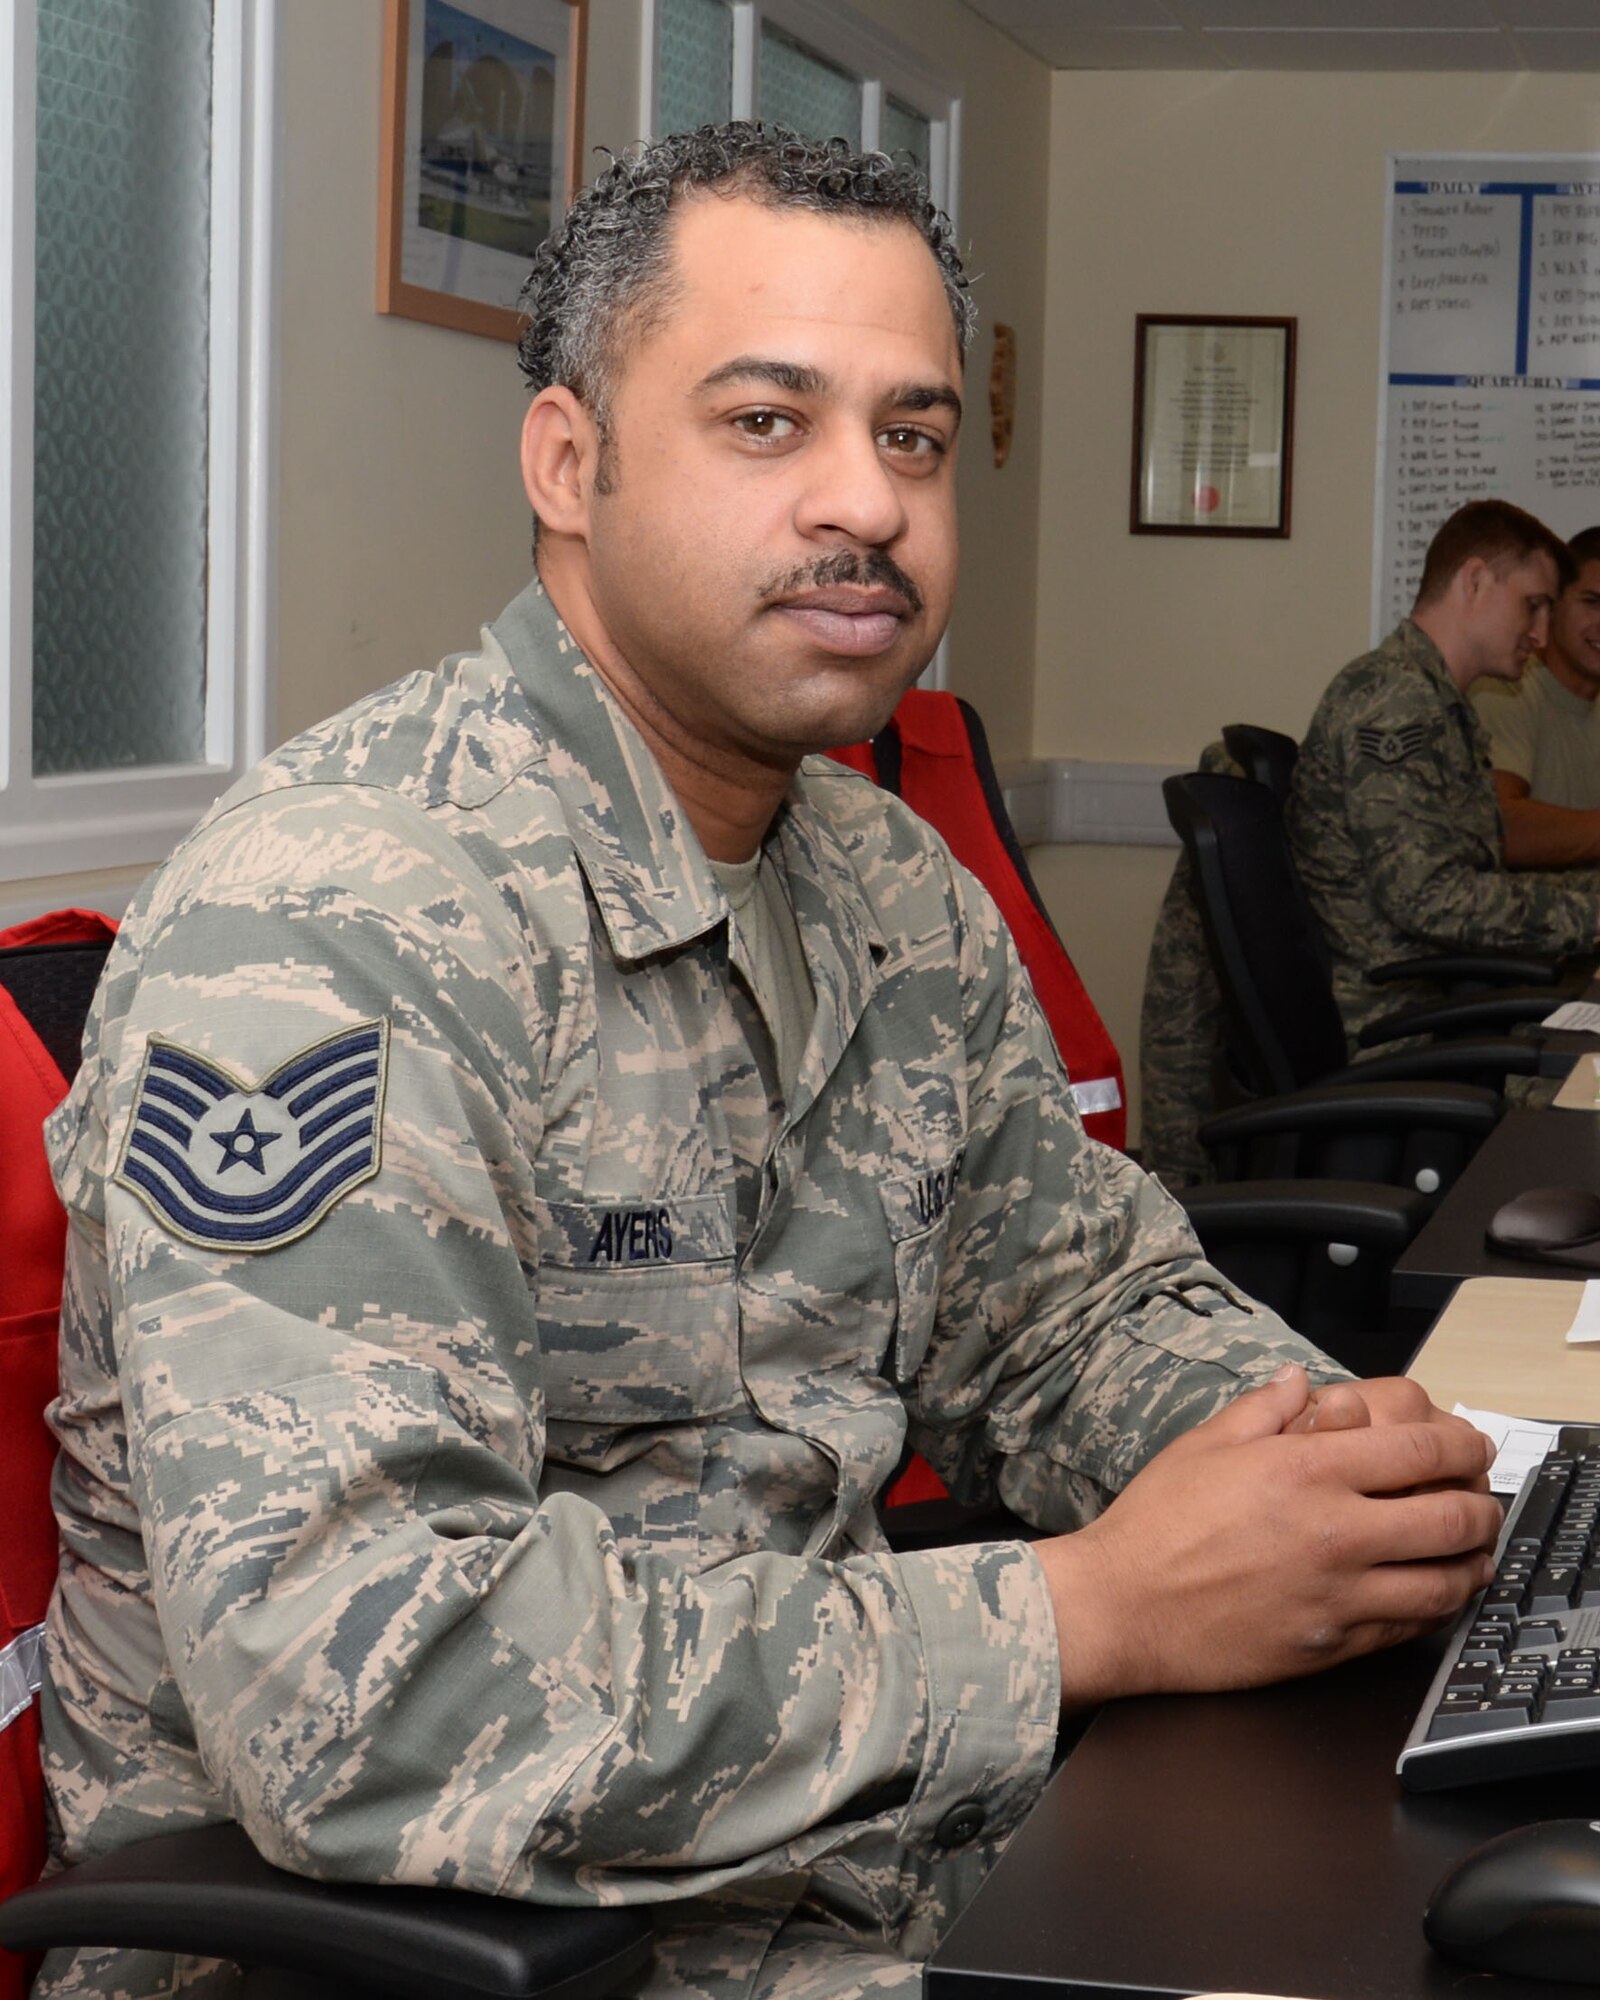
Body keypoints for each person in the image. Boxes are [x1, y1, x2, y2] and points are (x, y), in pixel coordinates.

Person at [38, 126, 1499, 2000]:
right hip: (474, 1943)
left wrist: (1337, 1477)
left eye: (910, 435)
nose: (869, 504)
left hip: (845, 1859)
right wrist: (1091, 1615)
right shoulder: (346, 922)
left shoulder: (883, 876)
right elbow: (360, 1692)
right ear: (569, 464)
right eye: (766, 422)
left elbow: (1068, 1309)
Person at [1287, 498, 1599, 1044]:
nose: (1542, 635)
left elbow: (1470, 878)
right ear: (1475, 581)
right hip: (1397, 1028)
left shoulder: (1436, 702)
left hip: (1441, 1001)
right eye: (1532, 606)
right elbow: (1428, 897)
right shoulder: (1394, 702)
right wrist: (1592, 917)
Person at [1473, 524, 1600, 866]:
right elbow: (1501, 830)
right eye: (1593, 603)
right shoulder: (1506, 690)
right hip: (1529, 917)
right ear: (1553, 604)